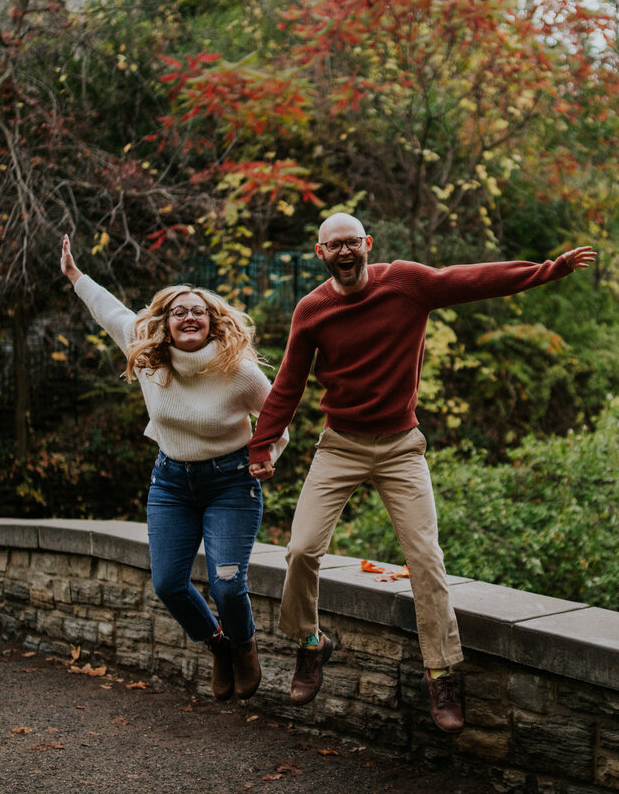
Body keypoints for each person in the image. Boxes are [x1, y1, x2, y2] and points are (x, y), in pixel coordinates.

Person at [247, 213, 594, 733]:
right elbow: (289, 385)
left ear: (368, 244)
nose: (344, 252)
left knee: (426, 560)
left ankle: (441, 673)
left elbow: (473, 279)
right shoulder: (312, 310)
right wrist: (261, 446)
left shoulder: (406, 283)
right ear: (320, 254)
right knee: (300, 549)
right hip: (339, 446)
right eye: (332, 245)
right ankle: (309, 643)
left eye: (351, 242)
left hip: (401, 448)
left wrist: (547, 271)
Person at [60, 234, 286, 701]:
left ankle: (244, 647)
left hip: (230, 483)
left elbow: (276, 418)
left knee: (226, 584)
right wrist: (76, 276)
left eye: (198, 311)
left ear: (212, 321)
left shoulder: (237, 370)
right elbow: (111, 311)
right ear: (164, 323)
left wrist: (266, 455)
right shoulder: (148, 357)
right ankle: (218, 645)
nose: (189, 317)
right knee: (167, 583)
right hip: (172, 484)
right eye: (179, 311)